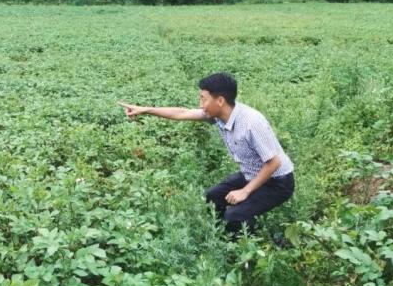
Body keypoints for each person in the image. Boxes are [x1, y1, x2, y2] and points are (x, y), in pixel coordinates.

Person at [118, 72, 294, 238]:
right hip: (251, 174)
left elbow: (274, 162)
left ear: (220, 100)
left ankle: (246, 246)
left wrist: (245, 191)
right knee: (211, 197)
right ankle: (223, 234)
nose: (201, 104)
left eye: (203, 99)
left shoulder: (251, 123)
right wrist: (145, 109)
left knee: (235, 215)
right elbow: (182, 113)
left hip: (277, 182)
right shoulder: (219, 114)